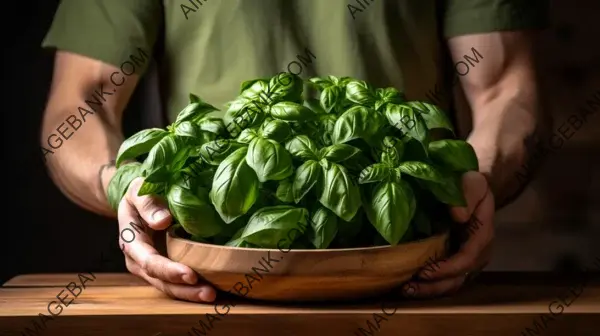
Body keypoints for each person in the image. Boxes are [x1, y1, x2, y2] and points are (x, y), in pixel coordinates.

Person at [40, 0, 548, 303]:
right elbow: (79, 101)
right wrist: (126, 184)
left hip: (407, 261)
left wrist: (474, 178)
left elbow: (506, 85)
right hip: (212, 271)